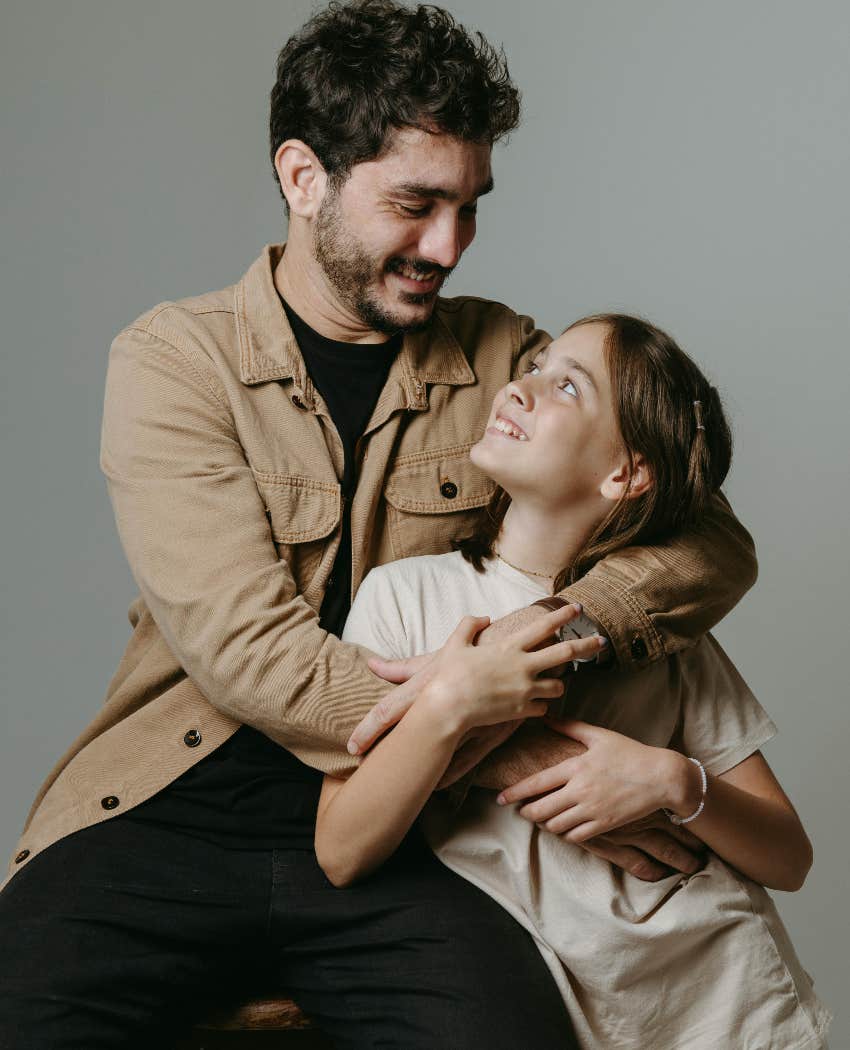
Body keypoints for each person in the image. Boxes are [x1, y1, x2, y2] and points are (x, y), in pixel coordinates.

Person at [0, 3, 759, 1047]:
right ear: (304, 177)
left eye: (468, 207)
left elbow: (711, 540)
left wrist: (573, 628)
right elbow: (250, 654)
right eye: (414, 204)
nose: (446, 245)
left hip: (400, 844)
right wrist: (491, 735)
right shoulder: (175, 360)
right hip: (170, 811)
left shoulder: (506, 356)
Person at [324, 313, 833, 1049]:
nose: (520, 389)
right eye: (533, 369)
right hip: (558, 1008)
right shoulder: (405, 598)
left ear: (624, 473)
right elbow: (342, 851)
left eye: (565, 384)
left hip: (733, 1005)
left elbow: (789, 858)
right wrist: (448, 704)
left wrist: (670, 781)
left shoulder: (659, 628)